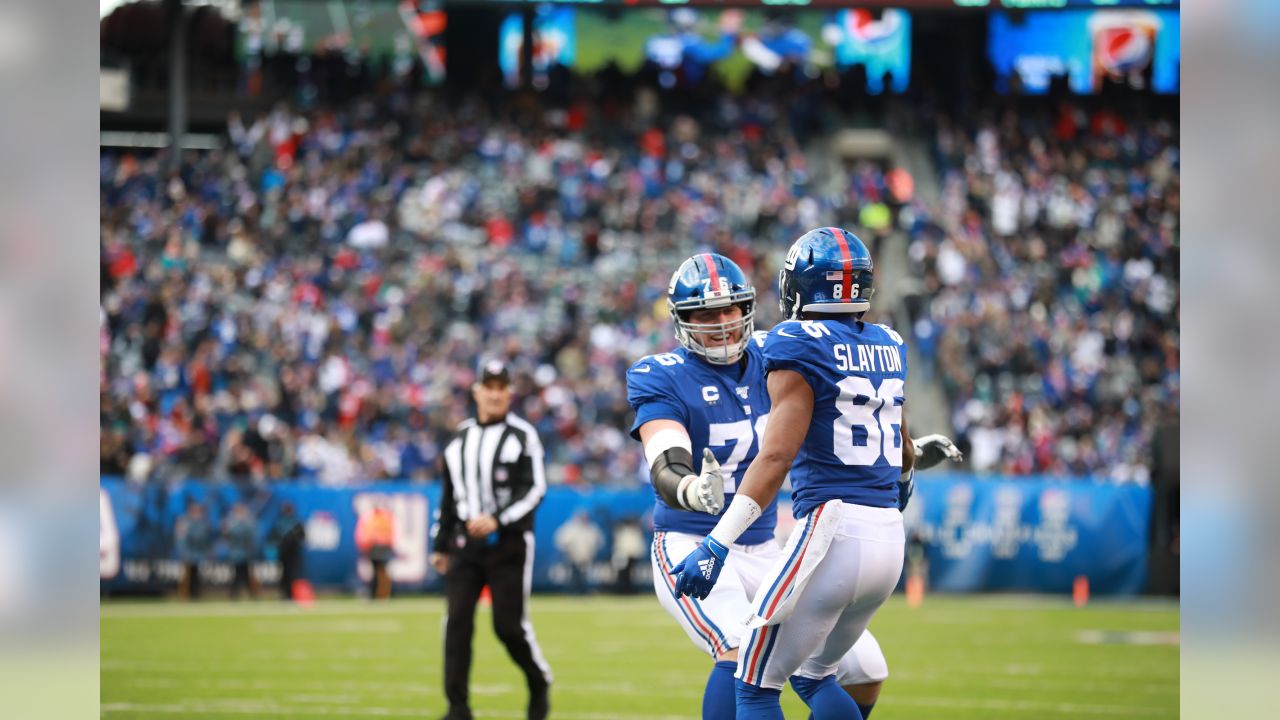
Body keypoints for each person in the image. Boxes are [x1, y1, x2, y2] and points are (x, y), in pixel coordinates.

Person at [670, 228, 959, 719]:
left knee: (755, 685)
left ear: (801, 285)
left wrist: (717, 543)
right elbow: (901, 450)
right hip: (888, 537)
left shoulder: (796, 340)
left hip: (831, 532)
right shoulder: (888, 342)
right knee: (814, 674)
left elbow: (777, 458)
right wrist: (908, 469)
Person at [628, 252, 896, 720]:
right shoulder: (662, 374)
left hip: (769, 546)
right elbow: (664, 456)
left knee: (864, 669)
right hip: (693, 545)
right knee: (738, 649)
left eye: (731, 309)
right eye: (706, 314)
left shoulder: (780, 352)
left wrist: (901, 447)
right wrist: (691, 489)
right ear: (682, 320)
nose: (722, 323)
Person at [431, 359, 553, 720]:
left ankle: (538, 680)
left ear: (509, 393)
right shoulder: (459, 439)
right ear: (477, 392)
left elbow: (535, 489)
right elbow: (449, 496)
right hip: (466, 546)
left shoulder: (522, 435)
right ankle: (457, 707)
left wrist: (498, 519)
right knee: (456, 623)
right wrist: (440, 545)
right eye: (490, 386)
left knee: (508, 626)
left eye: (502, 387)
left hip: (509, 545)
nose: (496, 393)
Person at [554, 510, 604, 595]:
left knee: (585, 574)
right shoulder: (570, 528)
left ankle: (584, 590)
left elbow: (599, 541)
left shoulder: (591, 528)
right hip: (572, 555)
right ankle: (574, 590)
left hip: (587, 556)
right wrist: (567, 550)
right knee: (574, 574)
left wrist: (593, 551)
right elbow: (561, 541)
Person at [355, 500, 396, 599]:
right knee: (378, 571)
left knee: (381, 571)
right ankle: (378, 593)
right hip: (375, 546)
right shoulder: (374, 518)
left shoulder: (380, 518)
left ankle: (382, 593)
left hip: (380, 547)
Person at [174, 502, 214, 600]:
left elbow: (206, 539)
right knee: (187, 575)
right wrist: (184, 552)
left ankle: (195, 594)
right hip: (189, 552)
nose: (197, 513)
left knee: (196, 574)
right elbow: (181, 539)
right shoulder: (184, 522)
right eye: (195, 510)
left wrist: (208, 551)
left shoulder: (203, 523)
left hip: (199, 553)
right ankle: (184, 595)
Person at [269, 501, 307, 600]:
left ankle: (290, 594)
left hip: (291, 554)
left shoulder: (295, 523)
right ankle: (286, 594)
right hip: (285, 554)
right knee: (285, 575)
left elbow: (302, 537)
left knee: (290, 575)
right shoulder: (282, 523)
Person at [223, 502, 260, 599]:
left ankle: (251, 593)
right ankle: (235, 593)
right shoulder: (232, 522)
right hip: (236, 553)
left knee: (247, 574)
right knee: (237, 574)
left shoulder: (247, 522)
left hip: (246, 552)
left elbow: (250, 535)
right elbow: (229, 536)